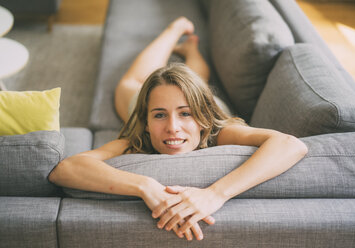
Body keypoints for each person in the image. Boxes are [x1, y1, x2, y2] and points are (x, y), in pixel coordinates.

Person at [48, 17, 308, 241]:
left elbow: (291, 144)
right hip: (164, 101)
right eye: (159, 115)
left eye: (185, 115)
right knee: (132, 83)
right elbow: (65, 169)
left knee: (195, 82)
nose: (172, 128)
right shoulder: (139, 136)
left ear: (202, 119)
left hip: (209, 101)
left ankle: (188, 47)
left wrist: (215, 194)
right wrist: (145, 186)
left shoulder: (221, 131)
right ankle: (174, 30)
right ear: (147, 122)